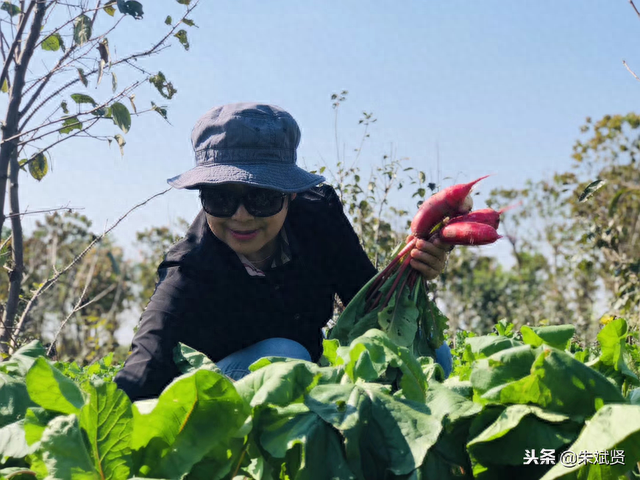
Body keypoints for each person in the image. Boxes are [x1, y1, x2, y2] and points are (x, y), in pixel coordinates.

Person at [114, 103, 453, 401]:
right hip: (216, 403)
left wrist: (412, 274)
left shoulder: (318, 216)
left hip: (306, 371)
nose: (241, 215)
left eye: (262, 197)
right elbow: (145, 365)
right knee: (282, 356)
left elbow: (369, 305)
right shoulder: (190, 267)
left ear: (290, 195)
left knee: (431, 347)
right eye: (221, 198)